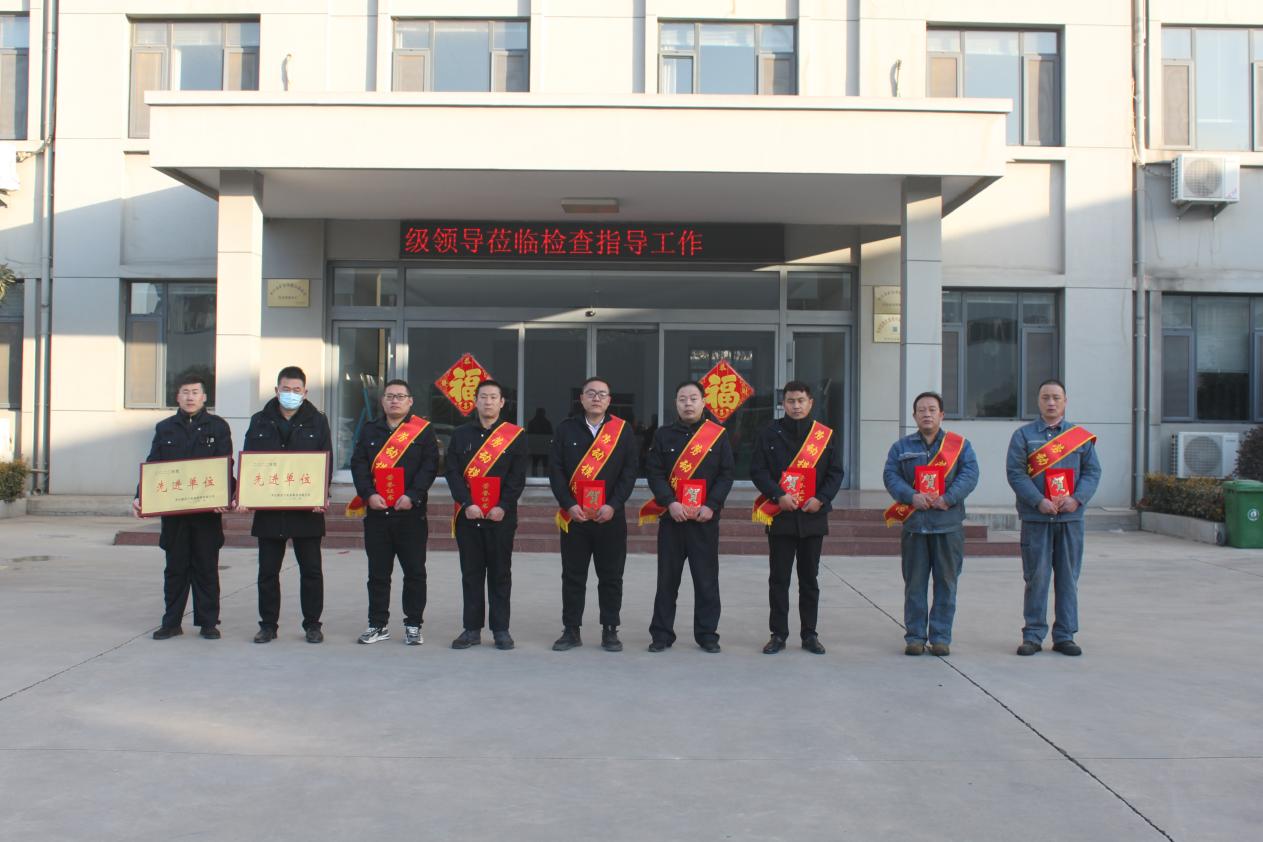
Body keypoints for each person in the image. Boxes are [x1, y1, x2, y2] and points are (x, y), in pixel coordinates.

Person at [132, 373, 234, 640]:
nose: (190, 397)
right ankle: (172, 622)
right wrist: (141, 496)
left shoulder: (218, 427)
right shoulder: (165, 428)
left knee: (206, 568)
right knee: (175, 569)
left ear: (204, 397)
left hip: (206, 514)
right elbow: (154, 465)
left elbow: (226, 464)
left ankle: (208, 623)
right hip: (175, 514)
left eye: (195, 392)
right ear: (177, 397)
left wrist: (228, 495)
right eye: (185, 392)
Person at [1006, 378, 1100, 657]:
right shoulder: (1023, 436)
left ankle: (1065, 636)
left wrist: (1077, 499)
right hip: (1036, 519)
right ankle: (1033, 635)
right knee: (1036, 577)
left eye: (1056, 398)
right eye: (1045, 397)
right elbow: (1015, 474)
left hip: (1070, 519)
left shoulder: (1079, 438)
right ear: (1038, 401)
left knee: (1068, 578)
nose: (1051, 402)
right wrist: (1039, 501)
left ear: (1065, 402)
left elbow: (1092, 472)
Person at [749, 381, 844, 655]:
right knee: (779, 579)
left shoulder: (824, 435)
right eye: (790, 401)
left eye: (801, 400)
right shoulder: (769, 433)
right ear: (784, 404)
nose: (796, 406)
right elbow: (758, 470)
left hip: (813, 517)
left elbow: (836, 472)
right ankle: (778, 634)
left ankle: (809, 634)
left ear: (810, 403)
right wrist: (778, 494)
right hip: (781, 516)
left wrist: (821, 499)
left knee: (809, 580)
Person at [882, 391, 979, 656]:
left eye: (932, 409)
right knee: (914, 584)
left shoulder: (960, 446)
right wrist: (910, 496)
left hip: (948, 526)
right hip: (915, 526)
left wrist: (948, 498)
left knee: (946, 583)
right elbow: (890, 476)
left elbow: (970, 474)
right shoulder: (901, 447)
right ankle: (915, 637)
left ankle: (940, 637)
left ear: (941, 414)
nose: (927, 414)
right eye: (922, 410)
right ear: (914, 416)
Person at [240, 366, 332, 644]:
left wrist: (321, 494)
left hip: (306, 510)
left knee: (311, 571)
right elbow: (249, 460)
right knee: (267, 572)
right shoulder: (259, 420)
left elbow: (326, 460)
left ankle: (312, 625)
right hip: (270, 510)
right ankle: (268, 625)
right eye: (285, 389)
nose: (290, 394)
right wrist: (245, 494)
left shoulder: (318, 421)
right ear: (276, 390)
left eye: (296, 390)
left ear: (305, 392)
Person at [547, 377, 639, 653]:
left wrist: (614, 505)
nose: (596, 398)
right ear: (582, 399)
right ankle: (571, 630)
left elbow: (629, 472)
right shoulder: (565, 429)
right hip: (575, 517)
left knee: (611, 576)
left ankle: (610, 630)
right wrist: (568, 504)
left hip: (610, 517)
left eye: (602, 394)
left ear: (609, 400)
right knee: (573, 576)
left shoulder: (622, 431)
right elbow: (556, 471)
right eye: (591, 393)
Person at [643, 380, 734, 653]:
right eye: (682, 399)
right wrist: (669, 502)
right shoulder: (663, 435)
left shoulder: (718, 435)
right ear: (676, 403)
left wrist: (712, 505)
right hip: (672, 519)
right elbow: (654, 472)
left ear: (703, 402)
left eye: (693, 398)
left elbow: (726, 474)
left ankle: (707, 635)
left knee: (706, 580)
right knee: (667, 580)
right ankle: (661, 635)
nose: (688, 403)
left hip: (704, 521)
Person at [349, 378, 439, 645]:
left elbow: (430, 466)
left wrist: (413, 495)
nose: (395, 400)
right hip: (378, 514)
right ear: (382, 401)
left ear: (410, 401)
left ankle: (413, 625)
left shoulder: (422, 431)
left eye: (400, 396)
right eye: (390, 396)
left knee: (414, 572)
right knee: (378, 574)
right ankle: (377, 624)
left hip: (410, 514)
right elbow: (358, 464)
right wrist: (368, 494)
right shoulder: (369, 430)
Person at [446, 380, 528, 651]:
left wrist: (503, 505)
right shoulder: (460, 435)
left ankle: (501, 629)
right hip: (468, 515)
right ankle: (471, 630)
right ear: (475, 401)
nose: (488, 402)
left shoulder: (514, 435)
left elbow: (517, 477)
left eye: (494, 397)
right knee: (471, 573)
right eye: (483, 397)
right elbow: (452, 473)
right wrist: (467, 502)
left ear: (502, 402)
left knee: (500, 573)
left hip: (500, 517)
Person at [526, 407, 553, 477]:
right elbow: (551, 434)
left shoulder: (533, 422)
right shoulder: (546, 423)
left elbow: (550, 435)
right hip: (541, 447)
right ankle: (544, 477)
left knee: (539, 464)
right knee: (541, 464)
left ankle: (542, 477)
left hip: (539, 447)